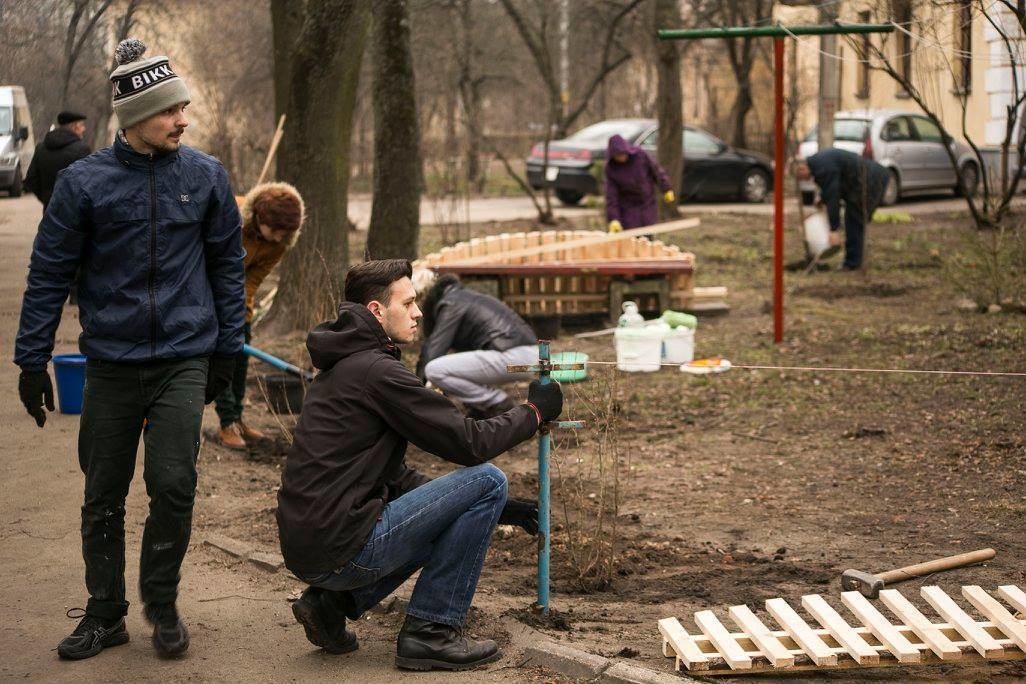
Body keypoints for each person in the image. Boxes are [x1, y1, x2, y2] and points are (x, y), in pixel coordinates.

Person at [14, 38, 245, 660]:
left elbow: (228, 267)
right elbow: (48, 272)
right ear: (135, 117)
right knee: (103, 492)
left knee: (173, 483)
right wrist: (31, 358)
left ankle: (162, 602)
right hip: (111, 363)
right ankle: (105, 612)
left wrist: (231, 349)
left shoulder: (205, 177)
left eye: (184, 108)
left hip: (182, 359)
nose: (183, 119)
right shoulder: (83, 184)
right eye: (171, 110)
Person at [276, 259, 562, 671]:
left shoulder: (345, 365)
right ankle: (431, 633)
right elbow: (469, 443)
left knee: (473, 501)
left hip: (311, 546)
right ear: (376, 311)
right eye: (408, 304)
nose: (419, 313)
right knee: (488, 480)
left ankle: (331, 604)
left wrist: (504, 510)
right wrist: (534, 412)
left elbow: (394, 477)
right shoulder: (377, 372)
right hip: (342, 549)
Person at [215, 182, 304, 450]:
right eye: (275, 230)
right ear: (260, 217)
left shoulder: (280, 243)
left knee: (241, 361)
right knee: (222, 362)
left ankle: (239, 418)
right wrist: (218, 310)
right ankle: (227, 422)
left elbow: (253, 279)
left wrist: (242, 313)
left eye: (284, 233)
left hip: (238, 301)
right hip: (209, 295)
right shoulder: (229, 218)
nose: (278, 237)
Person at [413, 269, 538, 419]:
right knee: (452, 366)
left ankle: (498, 403)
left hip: (512, 354)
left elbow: (433, 350)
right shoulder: (463, 296)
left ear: (425, 295)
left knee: (434, 370)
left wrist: (415, 393)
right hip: (526, 352)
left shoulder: (451, 303)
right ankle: (480, 409)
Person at [794, 148, 891, 271]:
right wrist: (823, 198)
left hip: (871, 180)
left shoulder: (822, 168)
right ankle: (854, 261)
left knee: (854, 219)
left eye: (800, 177)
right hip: (866, 179)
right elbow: (837, 184)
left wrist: (834, 230)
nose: (803, 180)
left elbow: (833, 198)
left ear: (802, 168)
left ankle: (852, 264)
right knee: (854, 219)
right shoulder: (818, 163)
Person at [604, 133, 675, 233]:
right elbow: (611, 197)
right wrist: (614, 219)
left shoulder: (640, 155)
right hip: (628, 209)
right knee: (632, 241)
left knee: (647, 238)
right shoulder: (611, 169)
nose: (621, 158)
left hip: (647, 204)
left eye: (622, 154)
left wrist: (666, 188)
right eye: (618, 156)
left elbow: (656, 171)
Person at [23, 110, 92, 207]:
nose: (84, 129)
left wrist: (47, 199)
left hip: (49, 210)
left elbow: (31, 179)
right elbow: (88, 181)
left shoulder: (41, 148)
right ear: (74, 127)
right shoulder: (82, 149)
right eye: (82, 125)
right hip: (74, 211)